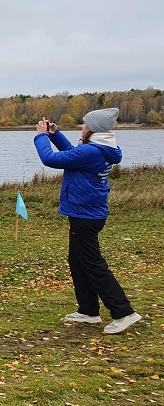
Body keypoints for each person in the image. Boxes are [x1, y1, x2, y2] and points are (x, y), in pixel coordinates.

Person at [34, 108, 141, 335]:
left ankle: (124, 312)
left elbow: (50, 159)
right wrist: (56, 135)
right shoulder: (100, 149)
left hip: (85, 216)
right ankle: (89, 310)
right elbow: (73, 155)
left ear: (93, 129)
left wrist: (42, 136)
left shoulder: (92, 151)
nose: (82, 127)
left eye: (84, 124)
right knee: (77, 260)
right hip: (89, 213)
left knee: (93, 264)